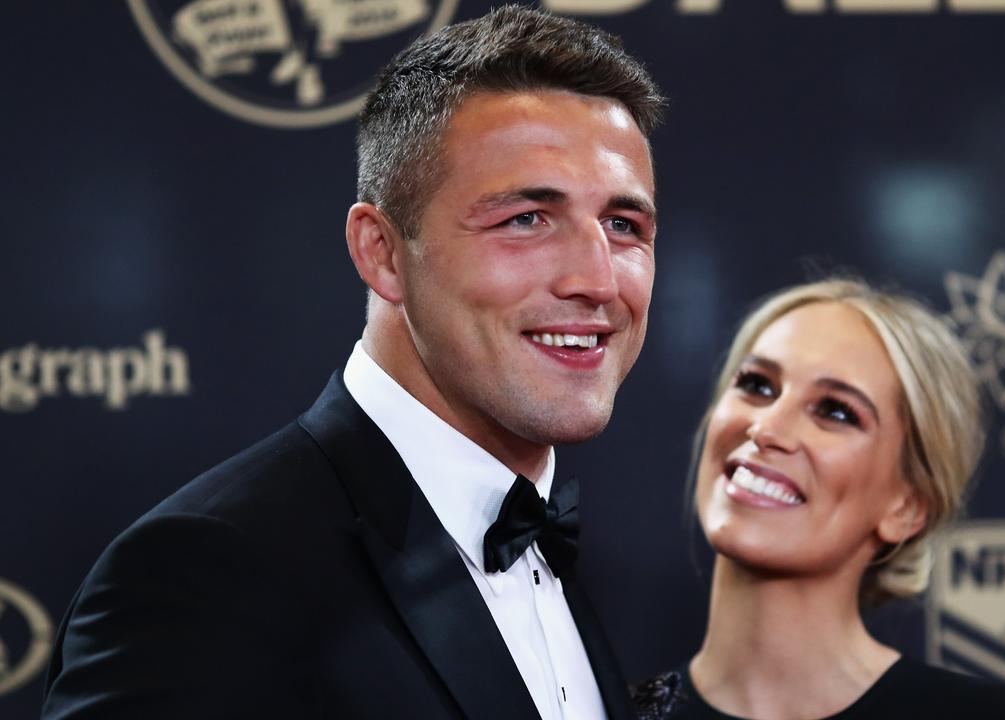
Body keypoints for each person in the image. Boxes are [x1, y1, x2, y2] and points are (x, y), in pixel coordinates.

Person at [43, 6, 663, 719]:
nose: (598, 278)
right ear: (382, 252)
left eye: (624, 225)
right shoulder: (208, 575)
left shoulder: (565, 562)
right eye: (525, 218)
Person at [633, 279, 1005, 719]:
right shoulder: (594, 710)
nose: (766, 428)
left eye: (835, 411)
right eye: (757, 384)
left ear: (906, 507)